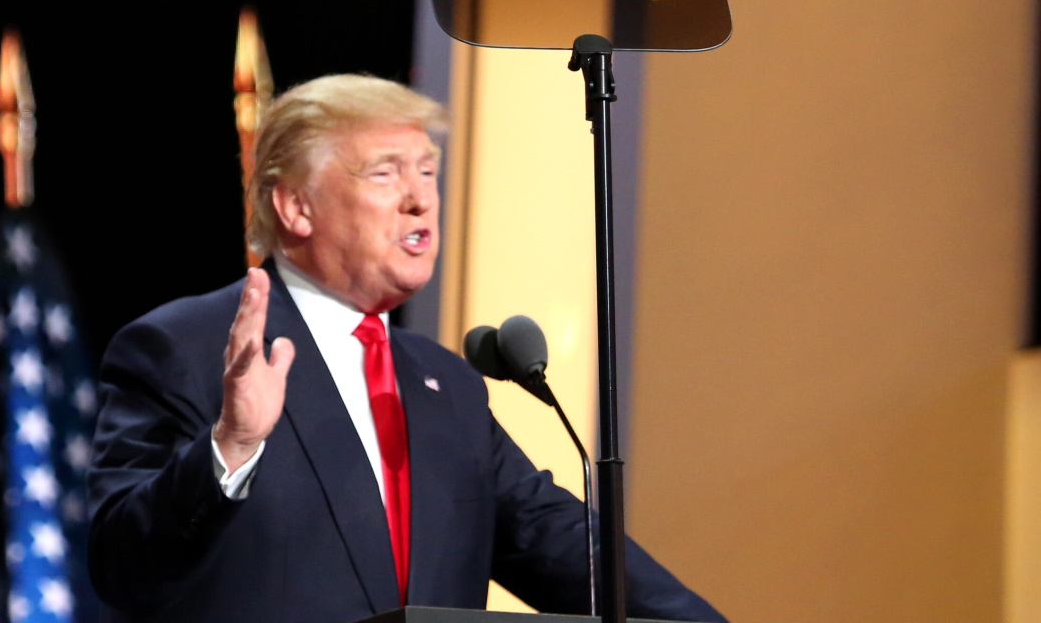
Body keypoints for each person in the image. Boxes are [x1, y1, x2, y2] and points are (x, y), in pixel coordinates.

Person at [88, 74, 726, 623]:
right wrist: (229, 450)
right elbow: (121, 566)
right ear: (296, 207)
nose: (421, 198)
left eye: (427, 170)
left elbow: (553, 540)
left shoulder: (446, 384)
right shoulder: (185, 349)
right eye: (385, 173)